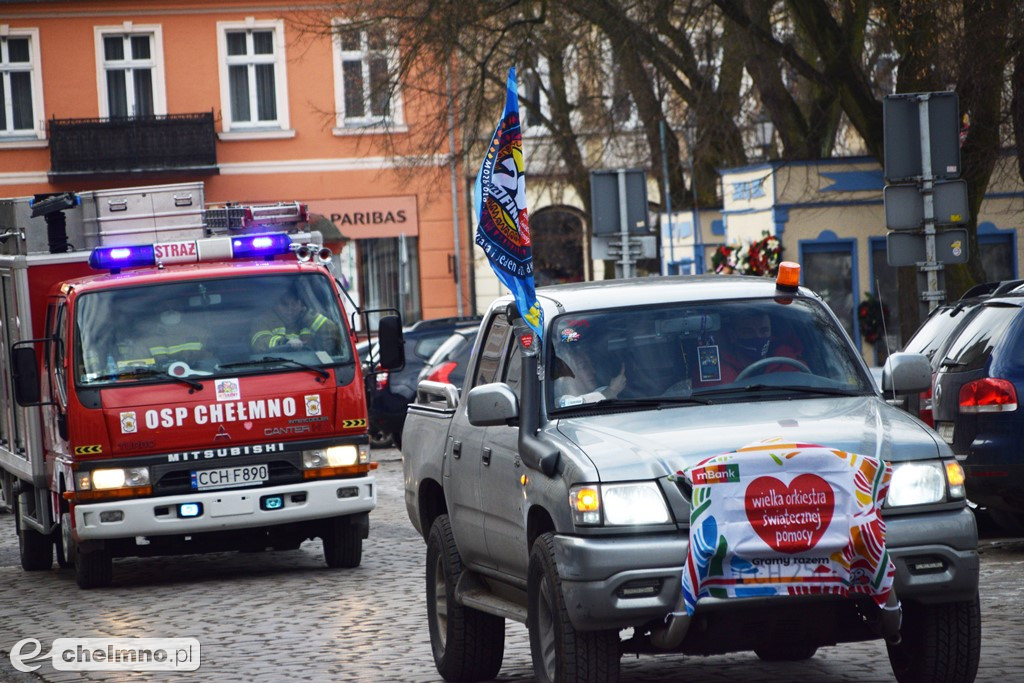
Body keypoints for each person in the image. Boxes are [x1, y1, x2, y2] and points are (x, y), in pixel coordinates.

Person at [122, 300, 209, 370]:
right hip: (159, 383)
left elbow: (212, 363)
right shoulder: (145, 340)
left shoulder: (200, 333)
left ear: (182, 310)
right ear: (157, 312)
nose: (170, 311)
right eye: (165, 309)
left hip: (197, 380)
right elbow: (138, 369)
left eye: (175, 308)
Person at [250, 287, 341, 353]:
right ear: (275, 306)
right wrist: (286, 343)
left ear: (302, 305)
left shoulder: (309, 319)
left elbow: (334, 336)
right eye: (284, 304)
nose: (290, 308)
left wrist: (308, 315)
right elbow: (259, 343)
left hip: (312, 370)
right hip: (274, 370)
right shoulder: (263, 321)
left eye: (295, 303)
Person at [551, 335, 626, 407]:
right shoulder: (561, 402)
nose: (593, 371)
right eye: (583, 367)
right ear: (567, 373)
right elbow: (575, 404)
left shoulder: (601, 391)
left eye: (592, 365)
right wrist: (611, 391)